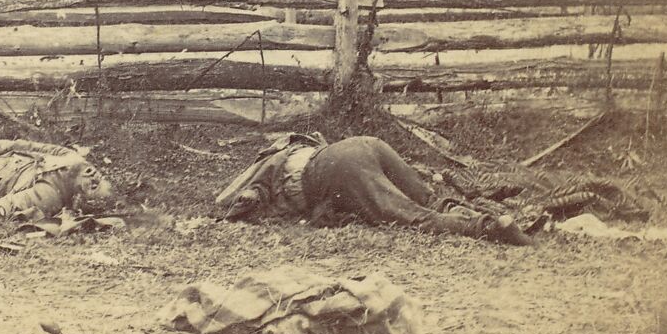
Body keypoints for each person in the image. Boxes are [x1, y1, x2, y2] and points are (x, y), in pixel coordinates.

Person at [216, 133, 534, 246]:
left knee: (408, 215)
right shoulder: (298, 147)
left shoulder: (266, 168)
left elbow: (245, 196)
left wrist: (245, 203)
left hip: (337, 170)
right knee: (426, 197)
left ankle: (489, 227)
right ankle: (493, 215)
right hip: (364, 143)